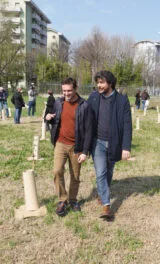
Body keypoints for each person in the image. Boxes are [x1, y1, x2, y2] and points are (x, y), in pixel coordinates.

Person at [87, 70, 132, 221]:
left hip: (114, 143)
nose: (99, 85)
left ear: (110, 83)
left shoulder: (121, 101)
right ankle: (106, 205)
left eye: (102, 82)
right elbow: (83, 112)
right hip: (97, 142)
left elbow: (127, 125)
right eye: (98, 82)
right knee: (100, 172)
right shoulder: (93, 98)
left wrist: (126, 147)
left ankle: (102, 191)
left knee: (109, 172)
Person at [45, 78, 93, 216]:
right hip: (60, 143)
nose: (66, 93)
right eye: (64, 91)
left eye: (69, 90)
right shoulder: (58, 102)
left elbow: (89, 130)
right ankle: (62, 200)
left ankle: (72, 200)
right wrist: (48, 117)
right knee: (57, 171)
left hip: (76, 147)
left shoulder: (84, 105)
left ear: (76, 89)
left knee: (75, 176)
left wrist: (85, 151)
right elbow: (54, 119)